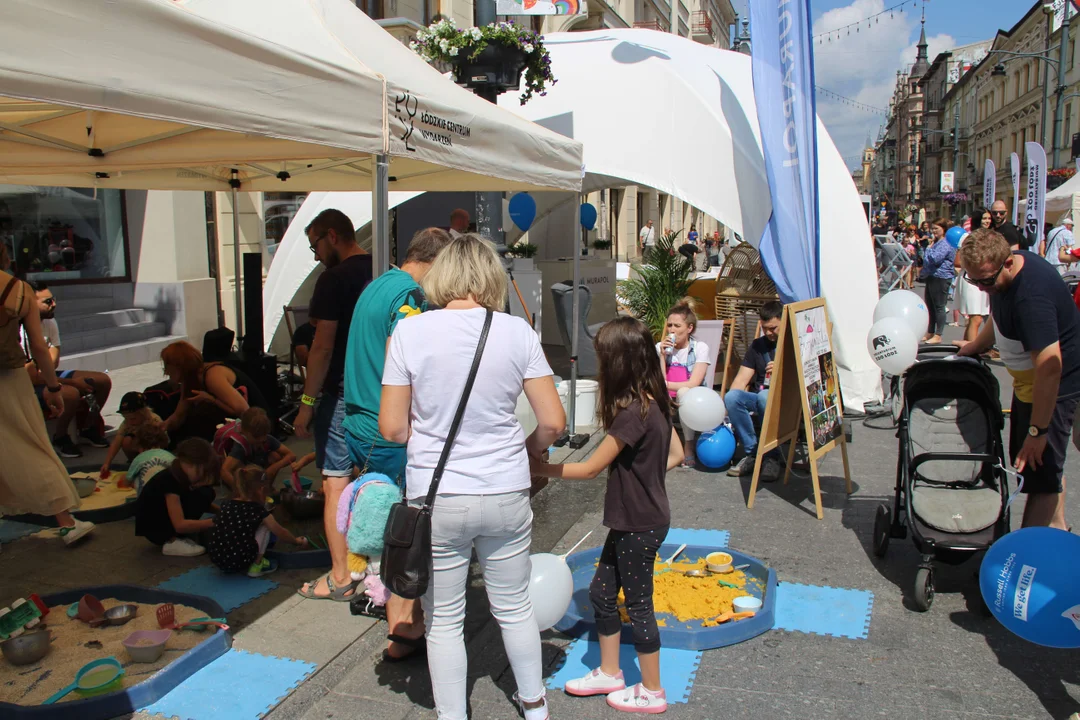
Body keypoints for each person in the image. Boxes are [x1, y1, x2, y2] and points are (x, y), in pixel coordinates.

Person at [379, 234, 565, 719]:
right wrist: (525, 452)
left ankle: (452, 715)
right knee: (516, 607)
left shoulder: (410, 334)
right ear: (490, 277)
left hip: (437, 496)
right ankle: (534, 705)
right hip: (504, 486)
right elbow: (553, 422)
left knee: (444, 620)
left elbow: (393, 427)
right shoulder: (516, 332)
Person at [531, 316, 684, 714]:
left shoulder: (634, 413)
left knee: (638, 605)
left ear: (618, 363)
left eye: (602, 359)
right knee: (601, 594)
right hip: (637, 518)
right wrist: (645, 478)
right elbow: (679, 455)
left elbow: (589, 468)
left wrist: (539, 467)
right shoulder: (657, 401)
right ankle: (611, 671)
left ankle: (652, 690)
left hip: (639, 524)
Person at [338, 227, 452, 652]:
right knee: (404, 532)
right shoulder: (410, 296)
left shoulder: (378, 284)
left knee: (382, 522)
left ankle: (387, 605)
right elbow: (403, 357)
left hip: (358, 424)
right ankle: (403, 629)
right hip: (385, 430)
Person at [957, 228, 1080, 530]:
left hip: (1057, 384)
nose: (982, 288)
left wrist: (1038, 432)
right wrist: (974, 346)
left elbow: (1051, 368)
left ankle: (1026, 558)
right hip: (1032, 382)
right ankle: (1058, 531)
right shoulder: (1002, 275)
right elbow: (997, 317)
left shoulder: (1030, 299)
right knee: (1045, 467)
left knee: (1040, 476)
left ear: (1008, 263)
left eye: (986, 280)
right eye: (973, 280)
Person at [292, 209, 373, 598]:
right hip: (384, 393)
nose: (316, 255)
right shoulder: (384, 270)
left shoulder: (333, 279)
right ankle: (371, 565)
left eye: (315, 246)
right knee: (378, 482)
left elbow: (321, 348)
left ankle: (342, 577)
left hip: (342, 395)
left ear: (331, 235)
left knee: (336, 484)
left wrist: (306, 403)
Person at [0, 249, 94, 546]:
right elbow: (40, 348)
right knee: (30, 445)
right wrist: (54, 389)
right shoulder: (18, 289)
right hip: (8, 377)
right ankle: (65, 522)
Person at [19, 280, 112, 457]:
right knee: (70, 393)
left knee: (102, 381)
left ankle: (88, 428)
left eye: (53, 299)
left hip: (46, 377)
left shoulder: (49, 323)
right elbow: (31, 377)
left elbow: (53, 363)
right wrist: (70, 382)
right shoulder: (20, 331)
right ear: (30, 303)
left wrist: (47, 369)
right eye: (47, 301)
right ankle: (60, 437)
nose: (54, 304)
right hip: (26, 386)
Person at [208, 465, 308, 577]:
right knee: (266, 526)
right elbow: (280, 531)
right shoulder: (257, 510)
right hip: (239, 560)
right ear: (261, 490)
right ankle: (256, 564)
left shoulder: (226, 504)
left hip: (216, 559)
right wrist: (296, 541)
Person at [724, 301, 784, 479]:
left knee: (765, 396)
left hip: (785, 402)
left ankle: (771, 456)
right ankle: (753, 452)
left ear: (784, 322)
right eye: (765, 328)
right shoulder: (758, 346)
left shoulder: (795, 343)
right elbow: (741, 380)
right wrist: (725, 415)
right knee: (732, 396)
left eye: (773, 328)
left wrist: (782, 370)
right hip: (760, 399)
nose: (768, 333)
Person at [159, 340, 261, 445]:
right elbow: (179, 415)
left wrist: (211, 399)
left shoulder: (212, 376)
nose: (166, 372)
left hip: (256, 423)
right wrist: (163, 426)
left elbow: (244, 410)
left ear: (179, 367)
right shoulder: (189, 380)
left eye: (167, 367)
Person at [134, 437, 219, 556]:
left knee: (205, 493)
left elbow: (200, 500)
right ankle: (172, 541)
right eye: (202, 471)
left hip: (167, 517)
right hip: (156, 528)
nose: (203, 477)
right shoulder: (170, 481)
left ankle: (182, 534)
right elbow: (179, 525)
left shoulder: (181, 474)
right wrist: (215, 521)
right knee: (203, 494)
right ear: (189, 464)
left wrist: (221, 511)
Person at [658, 299, 710, 467]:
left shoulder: (700, 348)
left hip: (692, 395)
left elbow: (694, 382)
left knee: (683, 393)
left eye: (677, 326)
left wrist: (664, 385)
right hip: (667, 393)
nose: (672, 330)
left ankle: (688, 444)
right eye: (670, 325)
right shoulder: (661, 347)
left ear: (689, 328)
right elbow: (657, 378)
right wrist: (662, 356)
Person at [221, 407, 295, 491]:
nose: (261, 440)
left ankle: (266, 487)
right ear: (244, 431)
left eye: (264, 436)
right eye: (256, 437)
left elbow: (291, 455)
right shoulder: (240, 445)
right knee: (237, 466)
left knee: (275, 456)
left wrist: (273, 468)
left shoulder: (267, 438)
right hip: (243, 472)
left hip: (256, 467)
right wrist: (240, 490)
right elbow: (224, 471)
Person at [953, 209, 992, 344]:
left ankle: (965, 348)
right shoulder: (968, 238)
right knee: (976, 318)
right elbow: (958, 261)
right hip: (971, 278)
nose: (987, 221)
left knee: (975, 318)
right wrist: (977, 263)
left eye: (988, 218)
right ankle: (972, 351)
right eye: (984, 218)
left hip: (982, 279)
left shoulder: (989, 237)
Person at [99, 392, 162, 475]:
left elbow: (162, 442)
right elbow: (117, 442)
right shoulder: (127, 422)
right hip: (138, 446)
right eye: (126, 418)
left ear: (143, 412)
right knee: (126, 440)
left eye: (133, 418)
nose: (129, 422)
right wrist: (107, 463)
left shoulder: (154, 420)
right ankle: (134, 462)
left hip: (156, 448)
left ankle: (147, 465)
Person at [919, 218, 956, 345]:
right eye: (933, 228)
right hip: (932, 276)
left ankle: (938, 334)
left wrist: (928, 250)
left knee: (939, 306)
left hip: (941, 277)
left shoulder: (945, 243)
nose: (933, 231)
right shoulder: (936, 242)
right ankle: (930, 331)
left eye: (936, 228)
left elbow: (935, 259)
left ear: (943, 229)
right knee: (930, 305)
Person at [124, 422, 174, 496]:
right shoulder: (170, 456)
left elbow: (126, 482)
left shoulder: (139, 459)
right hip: (170, 495)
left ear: (138, 444)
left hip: (146, 499)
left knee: (135, 479)